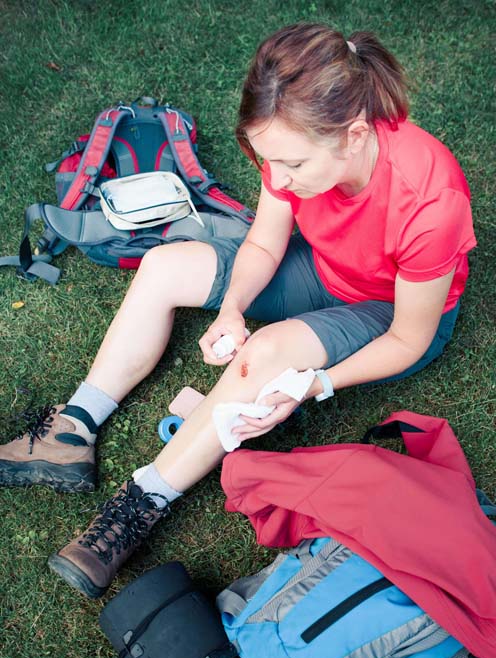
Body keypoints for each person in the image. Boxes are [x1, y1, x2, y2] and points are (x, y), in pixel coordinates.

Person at [0, 23, 476, 598]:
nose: (277, 179)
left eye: (292, 165)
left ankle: (141, 501)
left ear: (353, 136)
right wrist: (231, 310)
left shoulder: (430, 201)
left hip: (385, 310)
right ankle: (74, 426)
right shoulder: (291, 144)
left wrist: (316, 383)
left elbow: (409, 338)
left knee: (265, 354)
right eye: (268, 160)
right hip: (321, 265)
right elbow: (265, 243)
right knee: (164, 265)